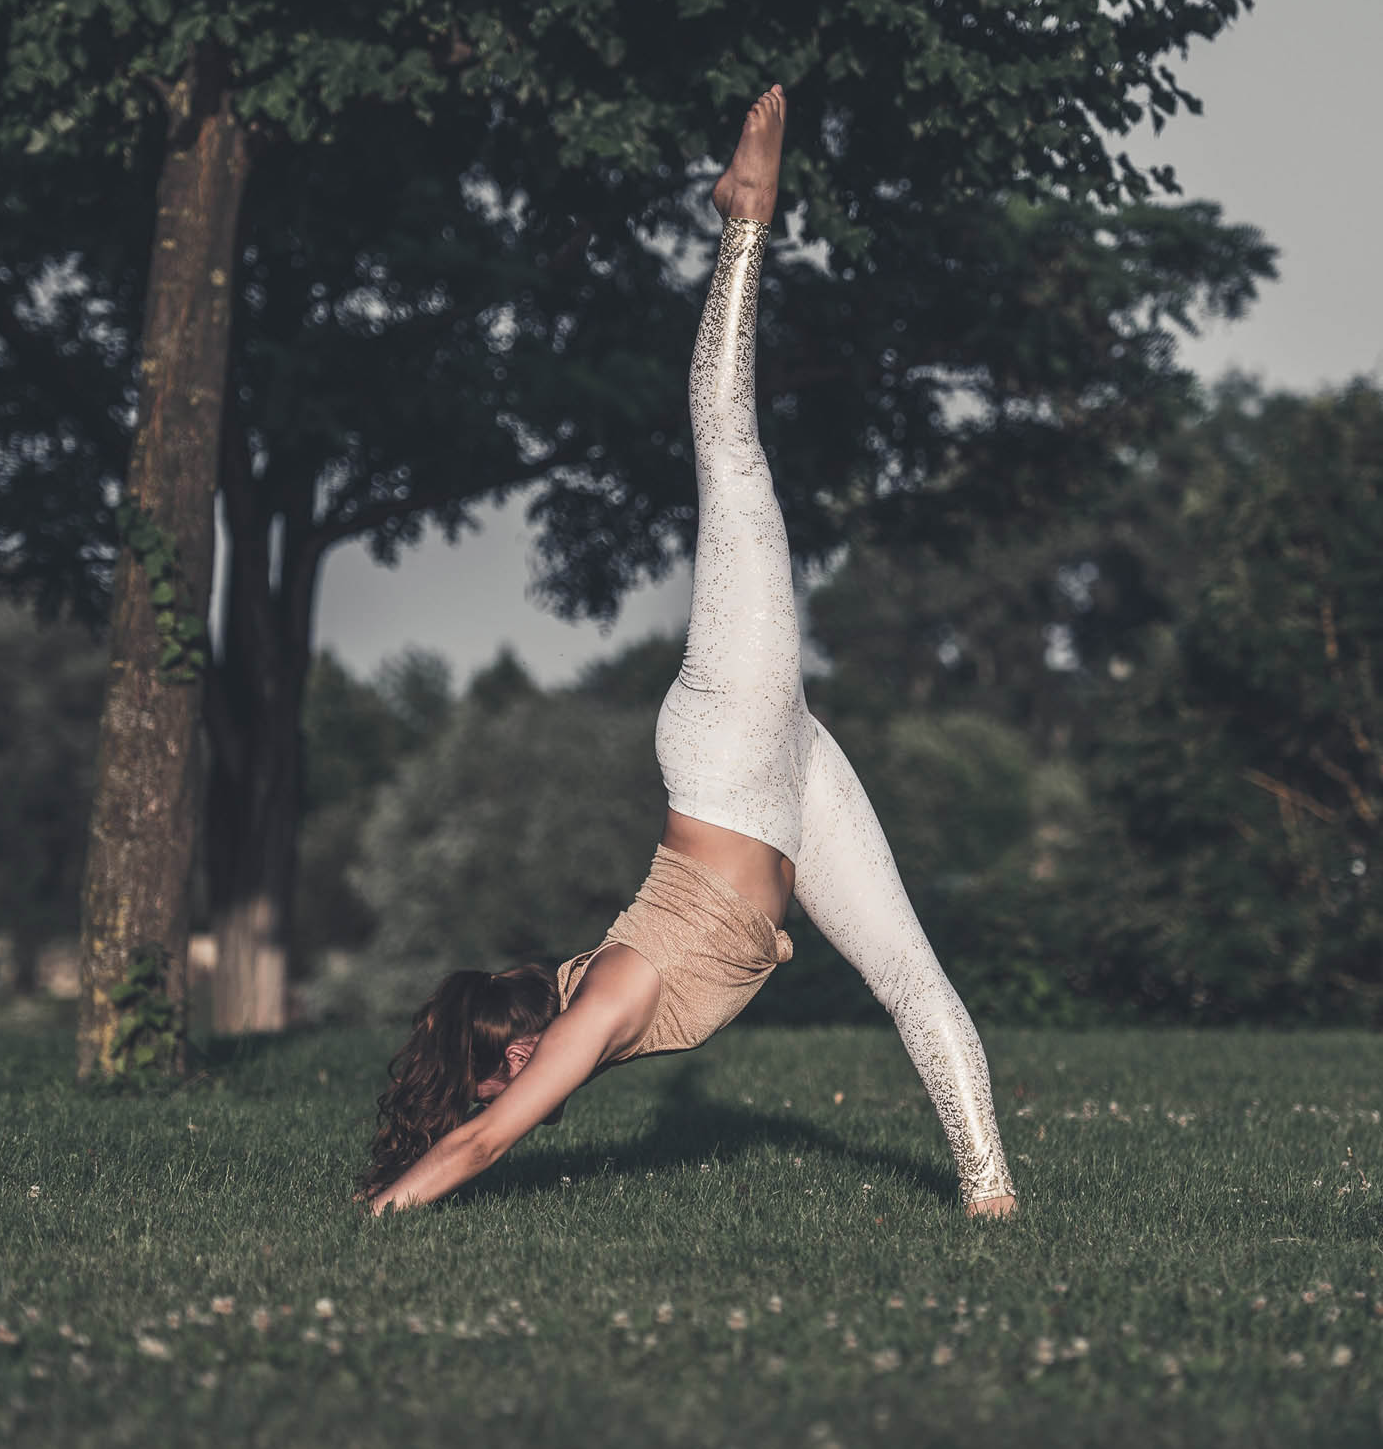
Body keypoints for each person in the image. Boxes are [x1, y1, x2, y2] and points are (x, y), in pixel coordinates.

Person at [360, 86, 1017, 1220]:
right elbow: (478, 1130)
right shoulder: (600, 1010)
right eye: (492, 1085)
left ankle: (745, 221)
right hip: (783, 781)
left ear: (516, 1037)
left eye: (495, 1072)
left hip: (729, 748)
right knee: (914, 979)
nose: (513, 1093)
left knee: (730, 453)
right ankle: (993, 1204)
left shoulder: (604, 1003)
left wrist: (380, 1215)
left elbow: (479, 1150)